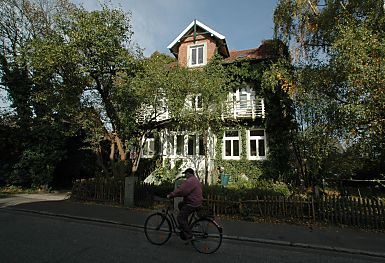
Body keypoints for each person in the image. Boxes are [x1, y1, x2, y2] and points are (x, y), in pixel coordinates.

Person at [167, 168, 203, 241]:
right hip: (196, 201)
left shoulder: (190, 181)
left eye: (186, 174)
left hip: (192, 203)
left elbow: (182, 190)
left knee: (180, 218)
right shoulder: (195, 179)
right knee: (180, 205)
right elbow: (185, 191)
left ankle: (190, 235)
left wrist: (171, 195)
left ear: (189, 173)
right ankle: (184, 225)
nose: (185, 176)